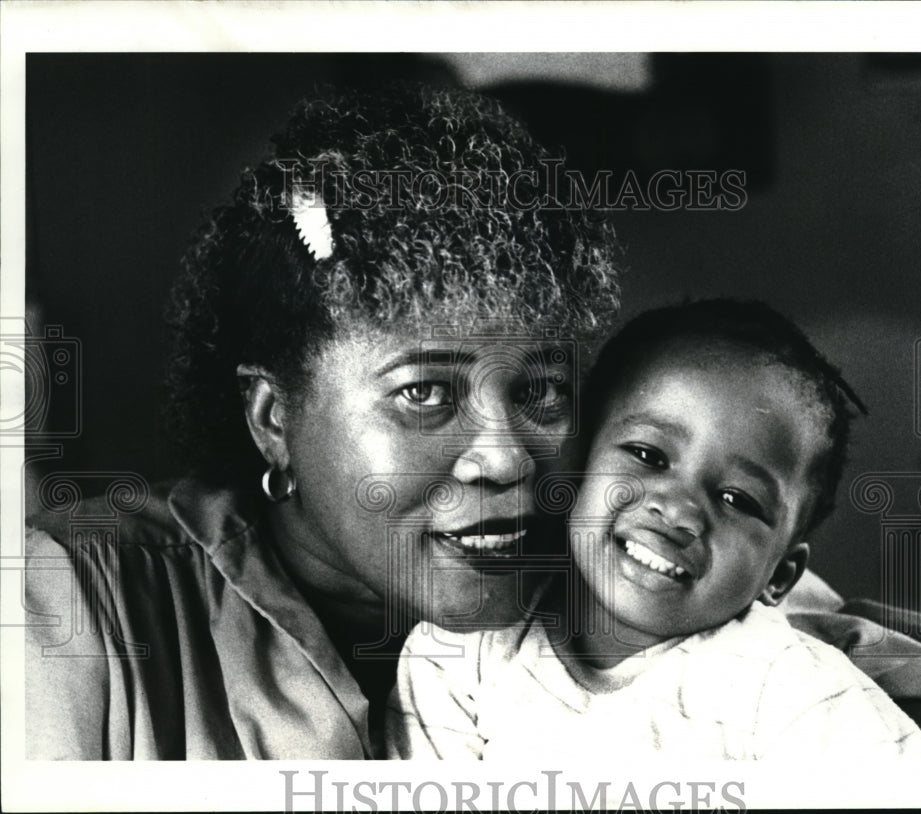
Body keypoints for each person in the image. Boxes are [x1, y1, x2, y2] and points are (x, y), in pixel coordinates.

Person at [23, 82, 621, 759]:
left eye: (540, 389)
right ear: (274, 420)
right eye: (424, 393)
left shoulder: (630, 607)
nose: (507, 457)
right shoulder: (76, 600)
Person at [386, 299, 921, 760]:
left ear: (781, 575)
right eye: (648, 455)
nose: (678, 511)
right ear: (576, 467)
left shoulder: (794, 693)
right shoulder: (463, 649)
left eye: (736, 499)